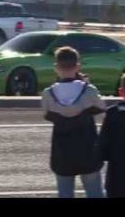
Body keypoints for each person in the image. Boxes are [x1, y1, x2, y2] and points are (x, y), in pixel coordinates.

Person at [41, 46, 106, 198]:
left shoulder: (48, 94)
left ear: (56, 68)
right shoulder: (89, 91)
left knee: (65, 193)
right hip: (88, 150)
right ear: (78, 66)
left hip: (62, 153)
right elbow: (101, 107)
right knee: (94, 192)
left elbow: (47, 115)